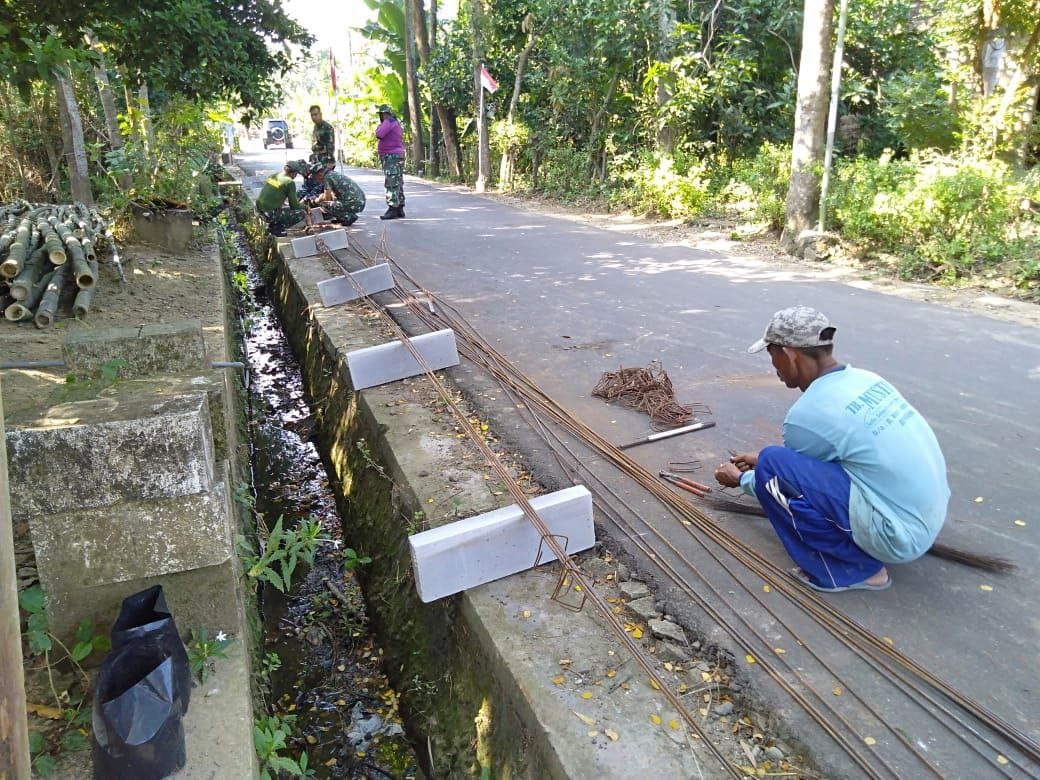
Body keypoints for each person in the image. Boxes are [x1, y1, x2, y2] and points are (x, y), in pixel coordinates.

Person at [713, 306, 950, 593]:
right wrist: (761, 458)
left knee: (774, 462)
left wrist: (742, 480)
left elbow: (783, 482)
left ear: (789, 353)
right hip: (928, 516)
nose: (773, 365)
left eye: (771, 354)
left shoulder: (807, 415)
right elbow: (823, 463)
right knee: (772, 460)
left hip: (896, 537)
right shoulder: (865, 379)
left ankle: (854, 569)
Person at [255, 160, 312, 235]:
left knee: (284, 207)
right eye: (296, 174)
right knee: (301, 213)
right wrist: (306, 207)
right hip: (269, 213)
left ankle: (273, 225)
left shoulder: (274, 175)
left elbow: (275, 192)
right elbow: (294, 205)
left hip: (258, 209)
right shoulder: (289, 182)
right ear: (293, 173)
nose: (296, 176)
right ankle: (277, 228)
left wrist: (282, 203)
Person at [375, 103, 405, 220]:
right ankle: (400, 207)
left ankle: (393, 208)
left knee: (392, 181)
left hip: (391, 156)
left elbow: (379, 133)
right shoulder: (395, 122)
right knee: (398, 180)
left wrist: (379, 127)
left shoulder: (389, 122)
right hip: (396, 155)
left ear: (384, 114)